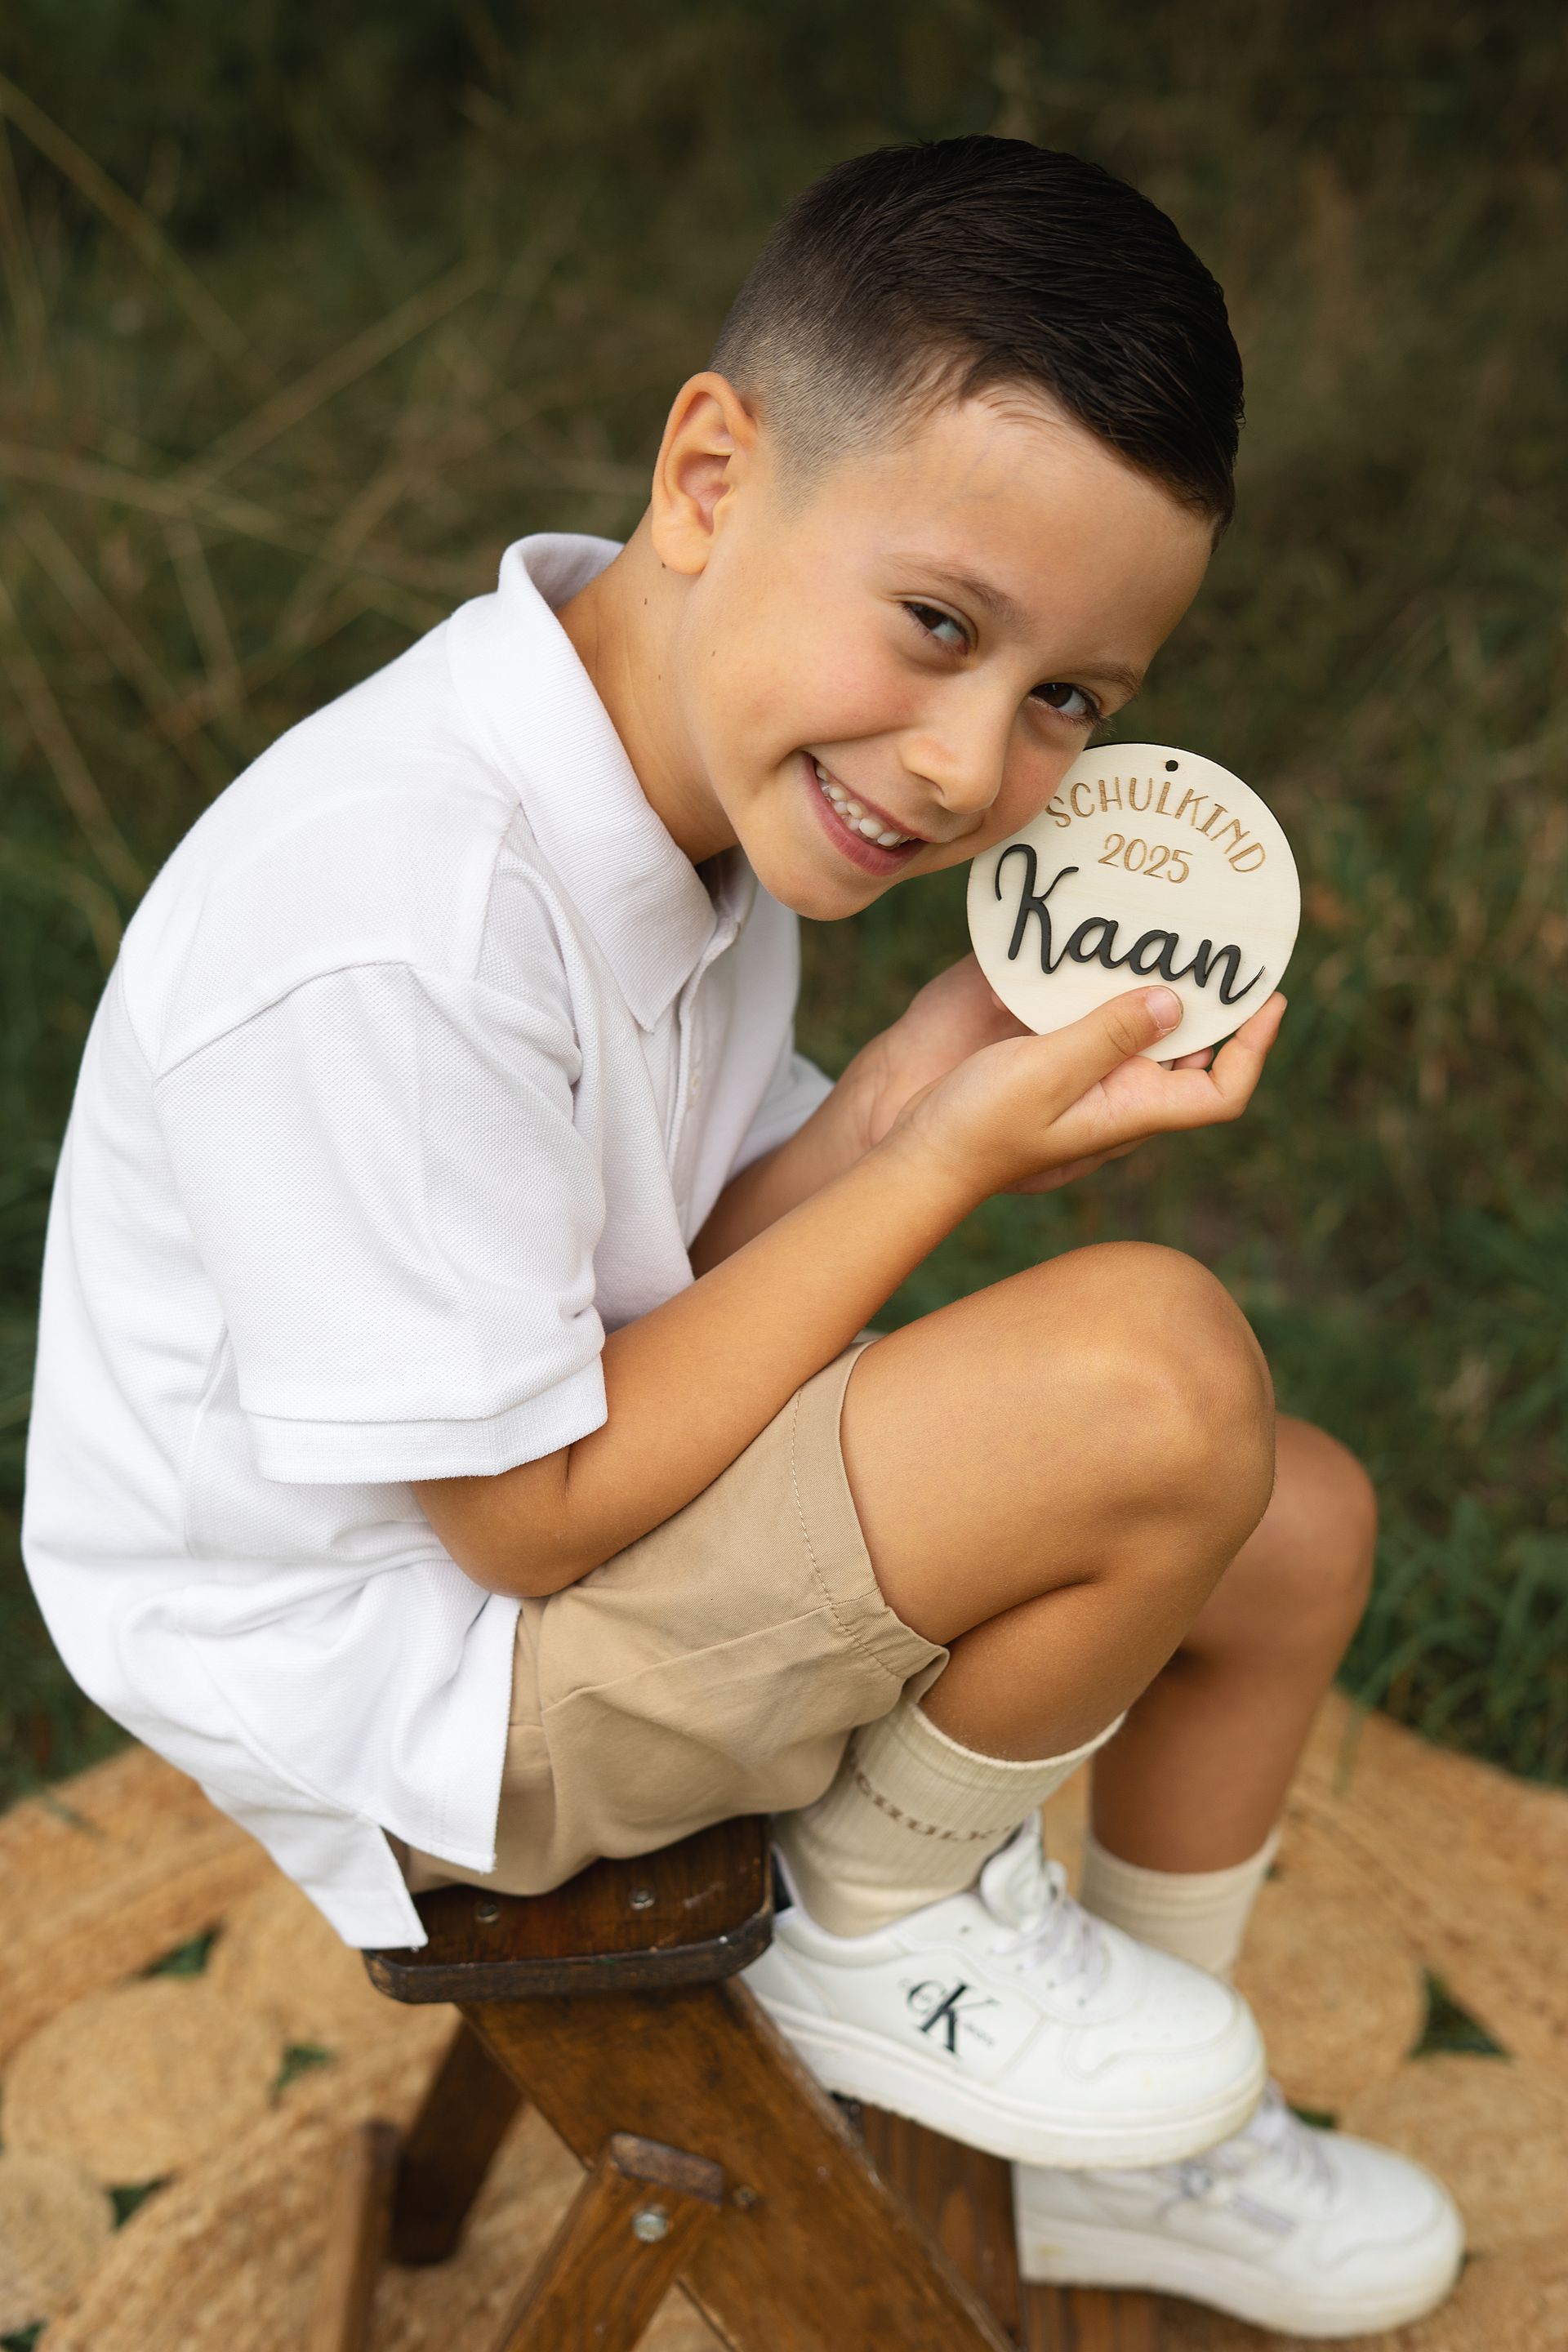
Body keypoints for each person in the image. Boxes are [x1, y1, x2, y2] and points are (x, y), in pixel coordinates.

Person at [23, 137, 1460, 2334]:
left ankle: (1137, 2172)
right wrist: (932, 1174)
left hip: (548, 1517)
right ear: (710, 473)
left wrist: (897, 1102)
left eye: (1069, 699)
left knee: (1289, 1519)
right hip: (419, 1683)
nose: (972, 767)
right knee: (1158, 1374)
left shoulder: (699, 767)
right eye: (942, 627)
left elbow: (681, 1260)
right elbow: (520, 1515)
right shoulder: (399, 918)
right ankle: (888, 1925)